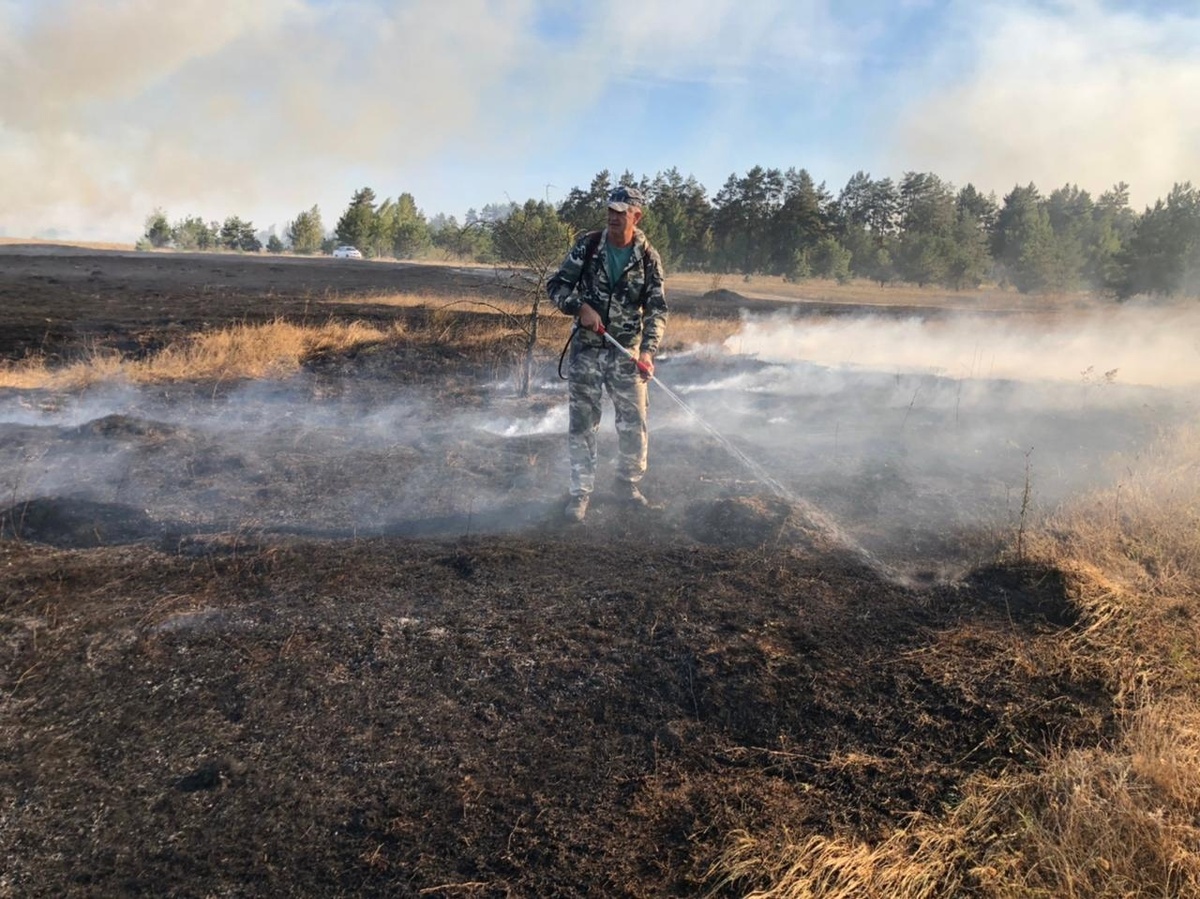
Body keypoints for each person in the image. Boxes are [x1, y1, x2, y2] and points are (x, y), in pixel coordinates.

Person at [546, 185, 668, 522]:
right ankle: (580, 493)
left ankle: (627, 485)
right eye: (610, 211)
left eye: (621, 212)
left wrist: (648, 351)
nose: (613, 218)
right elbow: (556, 287)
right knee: (583, 425)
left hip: (625, 354)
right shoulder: (587, 246)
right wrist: (579, 306)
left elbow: (658, 310)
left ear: (636, 216)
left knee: (634, 424)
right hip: (586, 351)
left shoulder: (647, 258)